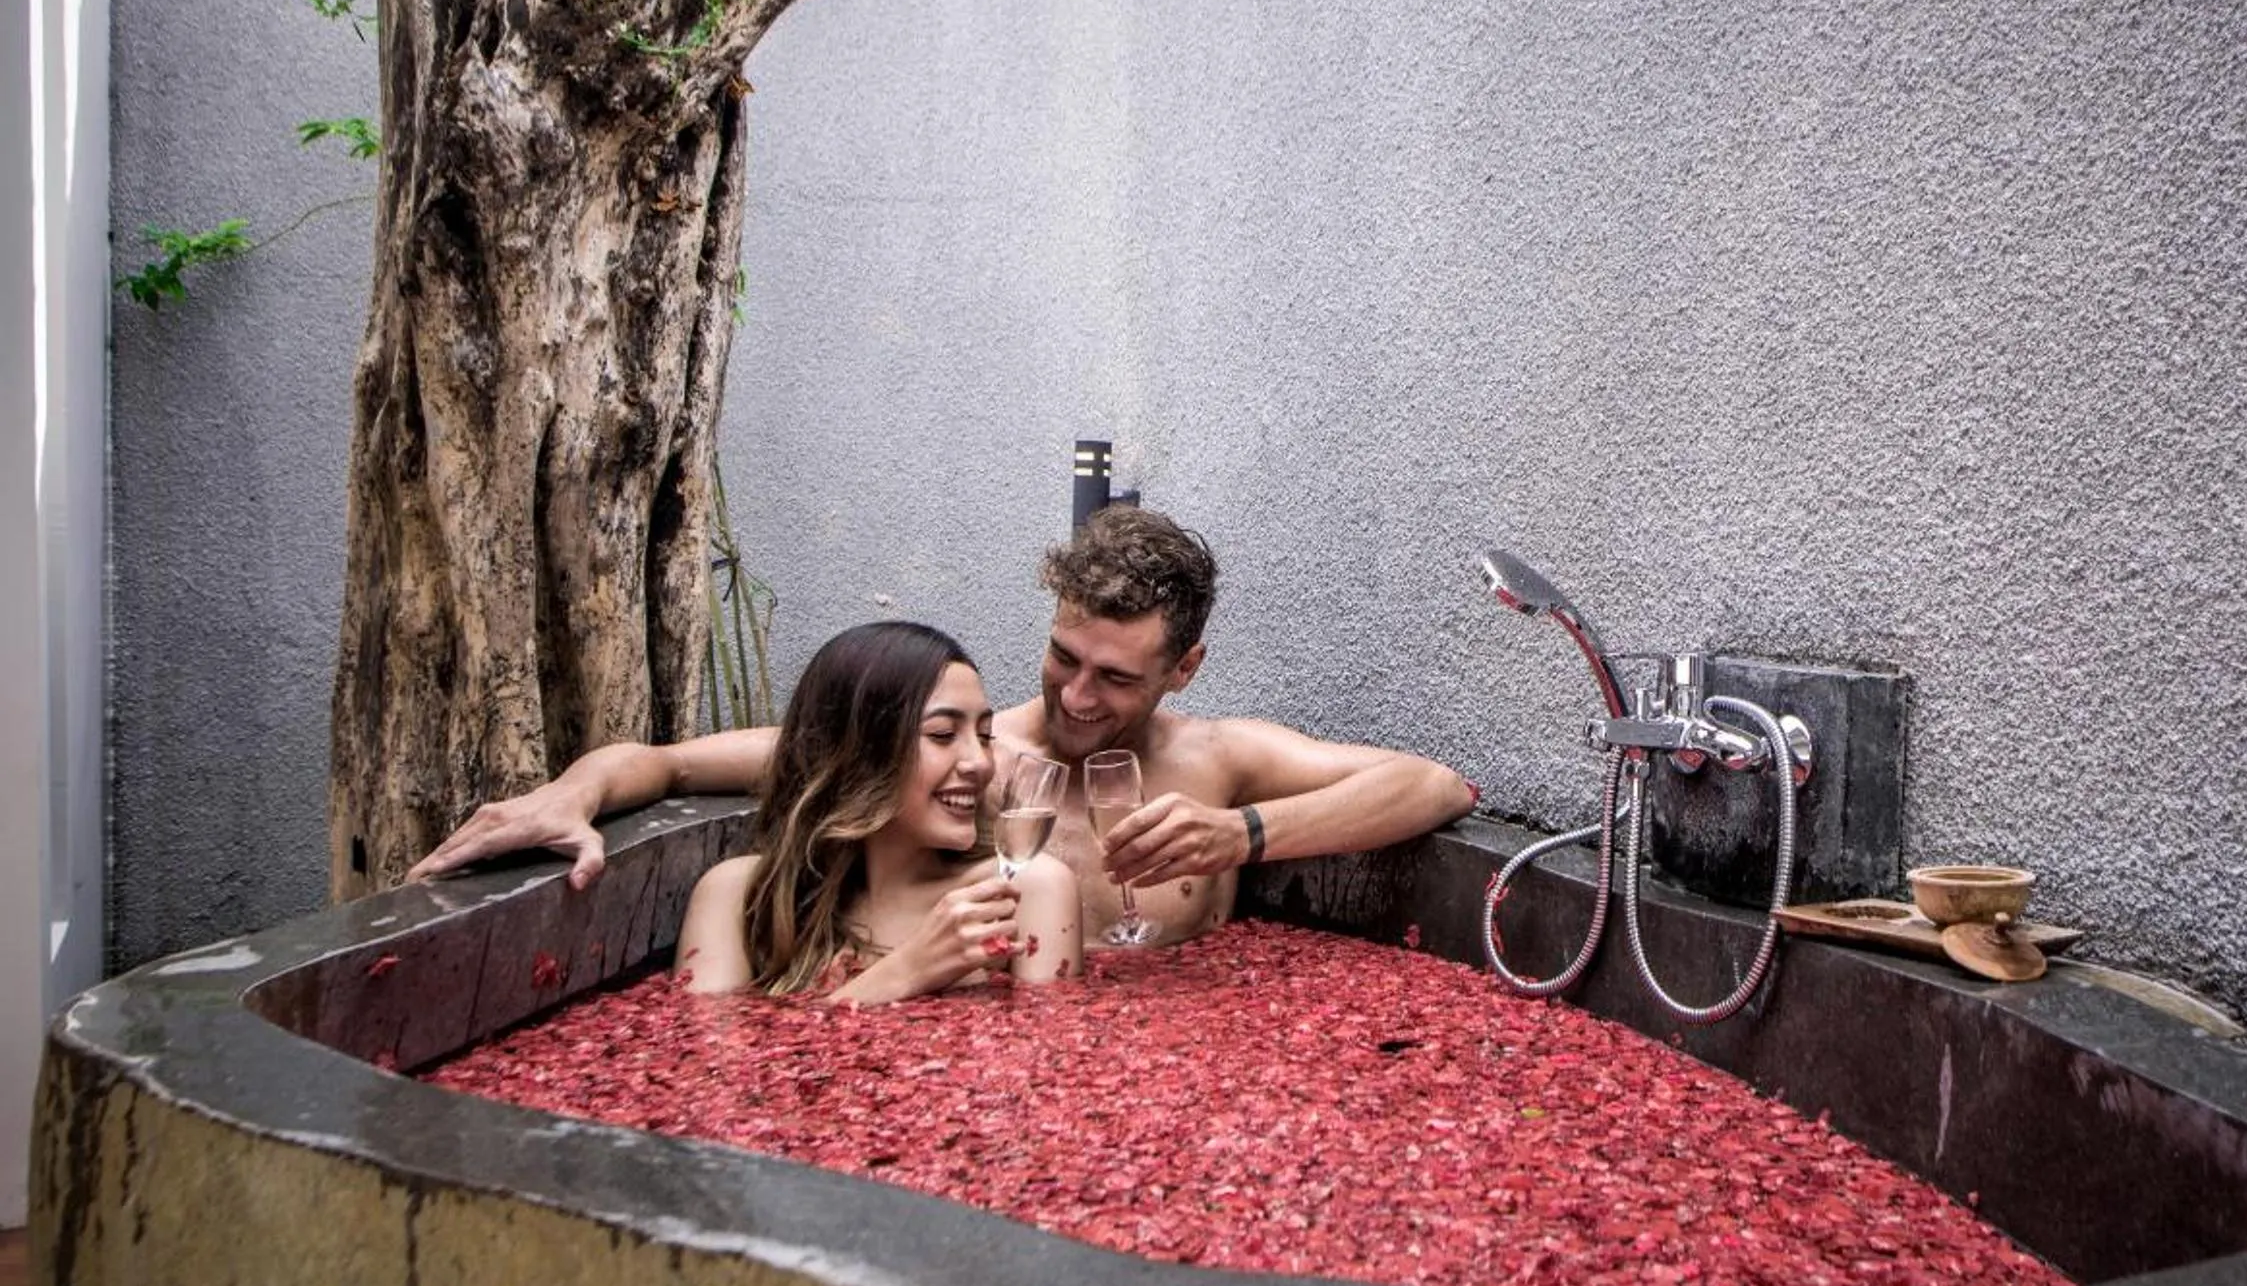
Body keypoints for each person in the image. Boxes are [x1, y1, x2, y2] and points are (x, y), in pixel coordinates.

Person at [409, 508, 1476, 950]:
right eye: (1063, 658)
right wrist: (573, 792)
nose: (1075, 695)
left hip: (1172, 1060)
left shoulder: (1217, 760)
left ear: (1182, 667)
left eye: (1114, 677)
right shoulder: (956, 751)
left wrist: (1241, 837)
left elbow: (1435, 786)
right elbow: (673, 759)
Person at [670, 620, 1080, 1001]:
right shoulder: (739, 896)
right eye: (942, 735)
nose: (980, 762)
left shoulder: (1023, 895)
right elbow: (703, 1069)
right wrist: (906, 972)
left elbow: (1048, 1067)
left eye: (985, 735)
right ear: (858, 753)